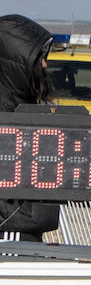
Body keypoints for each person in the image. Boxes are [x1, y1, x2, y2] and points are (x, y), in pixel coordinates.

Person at [0, 15, 62, 242]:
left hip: (23, 234)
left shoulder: (21, 109)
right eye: (39, 59)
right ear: (16, 59)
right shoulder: (6, 114)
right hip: (11, 239)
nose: (45, 65)